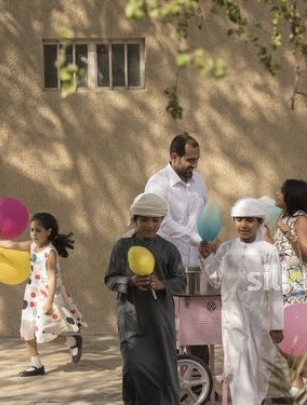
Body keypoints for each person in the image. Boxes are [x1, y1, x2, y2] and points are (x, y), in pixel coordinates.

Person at [198, 198, 284, 405]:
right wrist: (206, 258)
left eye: (249, 220)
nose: (243, 225)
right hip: (233, 320)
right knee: (236, 369)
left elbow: (275, 289)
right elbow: (215, 279)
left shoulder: (268, 251)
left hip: (260, 323)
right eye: (239, 220)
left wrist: (276, 324)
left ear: (259, 222)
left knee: (260, 371)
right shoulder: (226, 249)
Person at [104, 192, 186, 405]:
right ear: (135, 219)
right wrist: (129, 282)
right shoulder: (122, 247)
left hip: (160, 320)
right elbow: (110, 279)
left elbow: (181, 281)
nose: (150, 225)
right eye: (144, 219)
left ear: (162, 220)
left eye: (155, 220)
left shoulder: (168, 249)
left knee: (163, 367)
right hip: (131, 319)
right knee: (134, 367)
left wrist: (162, 285)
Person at [0, 212, 86, 377]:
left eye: (38, 230)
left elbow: (52, 278)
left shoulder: (50, 253)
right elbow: (12, 244)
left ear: (48, 232)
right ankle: (37, 366)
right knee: (27, 329)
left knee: (44, 331)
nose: (34, 234)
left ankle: (72, 341)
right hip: (32, 293)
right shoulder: (32, 246)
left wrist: (49, 302)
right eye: (31, 230)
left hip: (48, 294)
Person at [144, 132, 215, 364]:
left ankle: (199, 379)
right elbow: (162, 222)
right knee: (167, 326)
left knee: (198, 326)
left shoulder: (199, 182)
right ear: (174, 157)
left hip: (194, 266)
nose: (195, 164)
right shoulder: (158, 183)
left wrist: (208, 239)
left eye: (197, 160)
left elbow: (203, 217)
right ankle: (170, 377)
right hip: (165, 265)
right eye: (190, 160)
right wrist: (197, 238)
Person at [265, 179, 307, 401]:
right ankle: (296, 390)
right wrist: (269, 239)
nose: (276, 193)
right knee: (289, 340)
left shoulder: (302, 220)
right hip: (282, 284)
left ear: (291, 196)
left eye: (281, 191)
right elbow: (282, 254)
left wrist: (290, 235)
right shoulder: (284, 219)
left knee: (282, 337)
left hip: (296, 286)